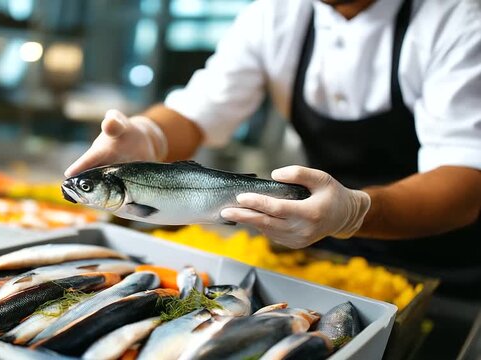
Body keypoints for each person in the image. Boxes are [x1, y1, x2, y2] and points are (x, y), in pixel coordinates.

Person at [65, 0, 481, 297]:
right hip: (326, 255)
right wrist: (149, 134)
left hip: (446, 265)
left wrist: (355, 212)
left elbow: (466, 180)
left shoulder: (458, 19)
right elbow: (197, 112)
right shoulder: (276, 14)